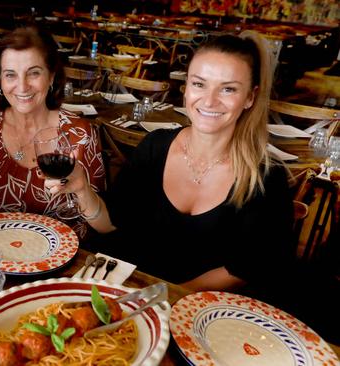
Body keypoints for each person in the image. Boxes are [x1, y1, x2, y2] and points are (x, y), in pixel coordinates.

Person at [102, 31, 295, 291]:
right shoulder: (154, 146)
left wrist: (166, 297)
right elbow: (117, 221)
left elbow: (246, 267)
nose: (209, 100)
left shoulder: (266, 177)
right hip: (132, 296)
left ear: (250, 97)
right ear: (186, 88)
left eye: (228, 89)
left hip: (208, 313)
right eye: (199, 84)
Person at [0, 26, 113, 239]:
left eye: (34, 73)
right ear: (0, 80)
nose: (22, 86)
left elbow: (106, 226)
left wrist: (83, 191)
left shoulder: (80, 133)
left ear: (51, 76)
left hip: (64, 261)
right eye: (10, 75)